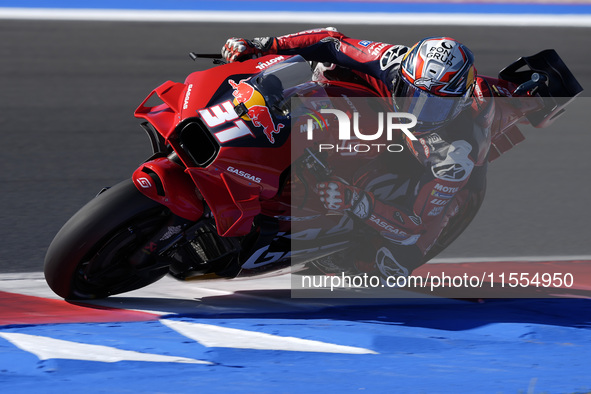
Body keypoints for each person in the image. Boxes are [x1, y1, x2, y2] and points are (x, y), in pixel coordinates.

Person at [221, 28, 494, 282]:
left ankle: (337, 243)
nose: (418, 112)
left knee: (393, 263)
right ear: (403, 75)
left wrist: (356, 201)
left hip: (415, 166)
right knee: (329, 65)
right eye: (412, 94)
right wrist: (265, 46)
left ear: (461, 102)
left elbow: (414, 225)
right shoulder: (394, 61)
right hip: (380, 112)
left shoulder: (455, 157)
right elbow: (332, 41)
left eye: (434, 106)